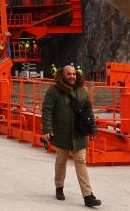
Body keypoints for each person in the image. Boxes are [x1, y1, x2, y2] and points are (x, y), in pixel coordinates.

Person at [41, 65, 101, 207]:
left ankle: (88, 196)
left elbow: (88, 111)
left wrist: (92, 129)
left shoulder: (82, 90)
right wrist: (47, 129)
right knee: (61, 162)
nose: (72, 76)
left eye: (74, 74)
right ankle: (59, 187)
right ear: (62, 75)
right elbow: (47, 111)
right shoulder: (54, 91)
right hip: (61, 133)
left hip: (79, 134)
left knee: (81, 162)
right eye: (69, 74)